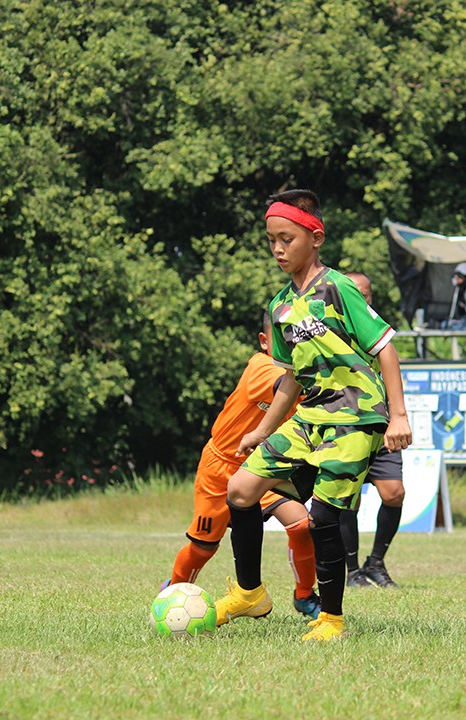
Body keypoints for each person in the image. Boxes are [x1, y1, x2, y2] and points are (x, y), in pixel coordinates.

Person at [214, 189, 412, 642]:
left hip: (356, 419)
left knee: (324, 516)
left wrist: (398, 416)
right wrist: (261, 431)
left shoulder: (338, 287)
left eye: (287, 238)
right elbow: (289, 380)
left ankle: (331, 620)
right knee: (241, 490)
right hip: (309, 419)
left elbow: (386, 348)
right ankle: (249, 594)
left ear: (315, 237)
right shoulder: (280, 306)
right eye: (271, 241)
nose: (279, 249)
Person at [165, 311, 321, 620]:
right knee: (203, 549)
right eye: (285, 339)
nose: (293, 346)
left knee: (302, 524)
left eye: (299, 339)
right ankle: (171, 595)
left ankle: (304, 596)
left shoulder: (307, 373)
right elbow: (285, 387)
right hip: (220, 468)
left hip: (262, 467)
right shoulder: (261, 367)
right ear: (265, 342)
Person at [339, 272, 404, 589]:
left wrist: (398, 415)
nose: (362, 300)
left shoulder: (376, 327)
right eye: (356, 294)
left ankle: (375, 562)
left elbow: (392, 365)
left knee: (394, 493)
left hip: (381, 421)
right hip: (345, 423)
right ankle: (351, 570)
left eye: (366, 294)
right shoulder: (333, 327)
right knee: (348, 499)